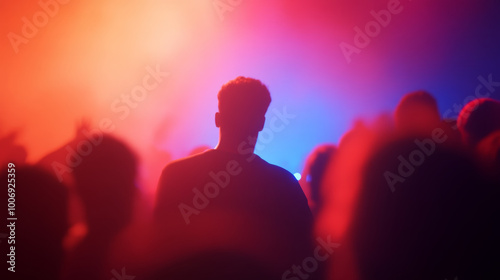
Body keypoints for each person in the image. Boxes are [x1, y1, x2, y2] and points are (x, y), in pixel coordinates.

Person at [153, 76, 315, 278]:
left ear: (217, 119)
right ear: (261, 123)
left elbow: (157, 248)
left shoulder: (176, 174)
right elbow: (307, 253)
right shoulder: (283, 183)